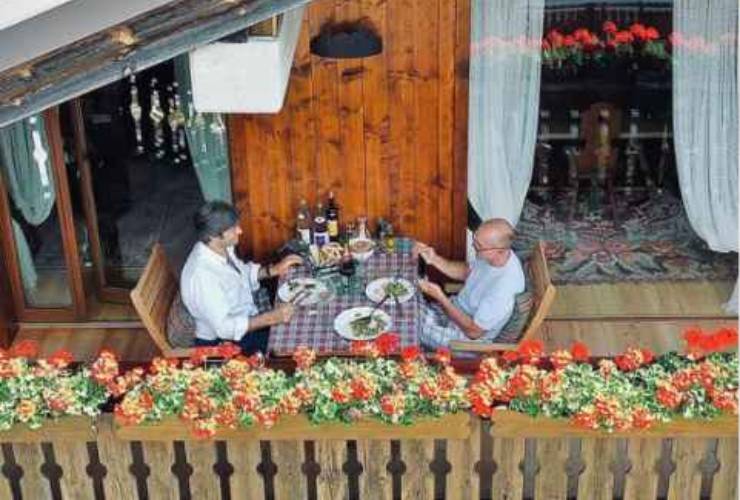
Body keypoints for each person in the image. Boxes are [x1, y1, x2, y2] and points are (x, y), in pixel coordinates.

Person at [180, 201, 302, 355]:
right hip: (225, 344)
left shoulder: (220, 247)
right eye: (233, 229)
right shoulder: (203, 276)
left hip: (247, 316)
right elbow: (225, 328)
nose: (240, 231)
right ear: (214, 236)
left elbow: (241, 274)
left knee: (301, 313)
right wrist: (272, 317)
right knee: (299, 345)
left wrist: (274, 270)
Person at [414, 218, 525, 350]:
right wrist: (434, 259)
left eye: (479, 246)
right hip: (455, 311)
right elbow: (467, 271)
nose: (473, 246)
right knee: (407, 304)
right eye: (475, 240)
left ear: (500, 250)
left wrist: (440, 297)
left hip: (466, 339)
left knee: (409, 325)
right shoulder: (495, 257)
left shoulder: (503, 289)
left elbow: (474, 332)